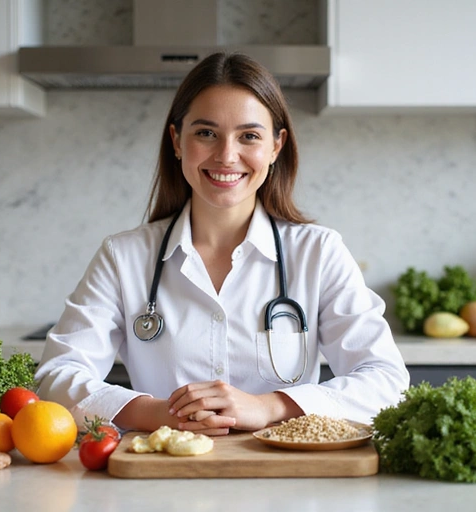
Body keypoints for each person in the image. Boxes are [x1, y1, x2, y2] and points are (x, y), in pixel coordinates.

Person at [35, 52, 409, 436]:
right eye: (206, 133)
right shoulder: (124, 257)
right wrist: (158, 413)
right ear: (177, 140)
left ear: (276, 147)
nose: (227, 156)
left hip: (288, 481)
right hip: (162, 480)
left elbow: (386, 381)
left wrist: (268, 407)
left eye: (249, 136)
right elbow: (56, 377)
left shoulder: (319, 253)